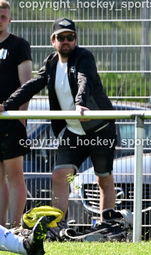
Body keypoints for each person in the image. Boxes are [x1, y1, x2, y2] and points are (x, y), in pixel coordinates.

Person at [0, 17, 117, 222]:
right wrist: (6, 105)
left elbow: (84, 79)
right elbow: (31, 86)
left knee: (103, 179)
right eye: (61, 37)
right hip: (73, 132)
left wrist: (80, 103)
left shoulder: (84, 57)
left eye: (70, 37)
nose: (66, 41)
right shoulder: (51, 63)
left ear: (75, 39)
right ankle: (58, 227)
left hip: (99, 129)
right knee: (59, 176)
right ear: (53, 41)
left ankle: (107, 226)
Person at [0, 0, 31, 227]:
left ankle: (16, 227)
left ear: (9, 19)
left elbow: (26, 86)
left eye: (3, 17)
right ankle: (1, 230)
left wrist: (20, 118)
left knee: (14, 175)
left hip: (10, 120)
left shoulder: (18, 45)